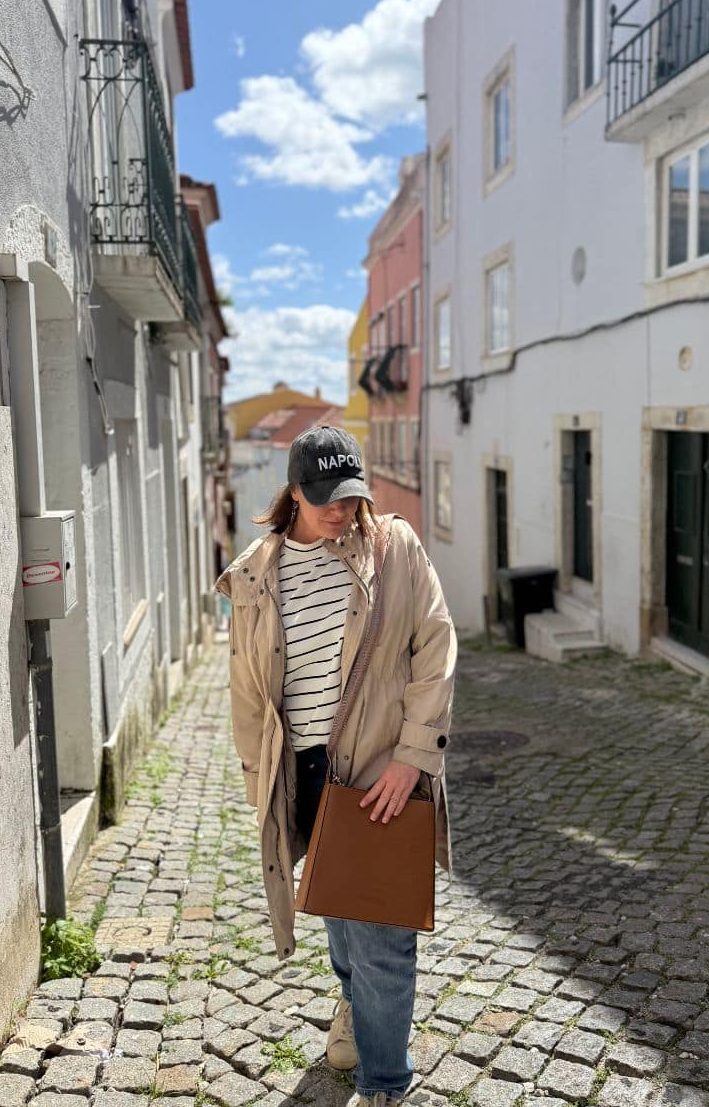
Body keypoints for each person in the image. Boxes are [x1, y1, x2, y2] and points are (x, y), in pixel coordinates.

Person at [214, 424, 457, 1106]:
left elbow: (435, 649)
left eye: (351, 497)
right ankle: (352, 999)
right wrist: (259, 776)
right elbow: (247, 690)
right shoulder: (258, 573)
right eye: (326, 498)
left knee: (383, 938)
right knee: (339, 920)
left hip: (381, 769)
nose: (341, 511)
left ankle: (386, 1082)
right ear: (293, 490)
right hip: (306, 774)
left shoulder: (393, 549)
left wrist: (413, 759)